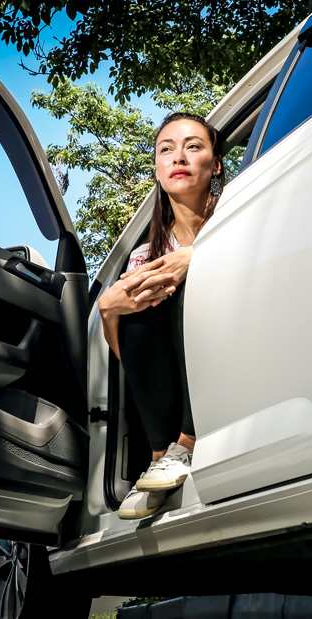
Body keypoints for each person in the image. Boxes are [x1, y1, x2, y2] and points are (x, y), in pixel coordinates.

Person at [95, 112, 226, 520]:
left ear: (216, 164)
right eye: (166, 150)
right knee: (138, 302)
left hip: (235, 345)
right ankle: (160, 456)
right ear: (156, 168)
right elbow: (132, 358)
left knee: (185, 285)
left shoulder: (238, 214)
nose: (178, 157)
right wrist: (107, 310)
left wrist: (198, 258)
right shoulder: (146, 255)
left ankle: (185, 445)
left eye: (193, 146)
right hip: (179, 375)